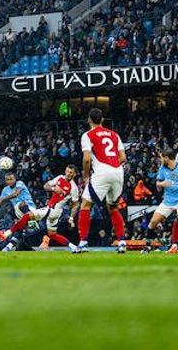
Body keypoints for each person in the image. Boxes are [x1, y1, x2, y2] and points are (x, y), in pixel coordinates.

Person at [74, 107, 127, 253]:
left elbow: (86, 159)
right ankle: (122, 242)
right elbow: (123, 157)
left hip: (101, 172)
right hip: (118, 172)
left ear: (89, 120)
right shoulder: (115, 135)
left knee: (85, 205)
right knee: (113, 207)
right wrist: (112, 163)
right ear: (102, 119)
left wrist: (85, 176)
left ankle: (83, 243)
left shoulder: (88, 135)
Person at [0, 171, 37, 246]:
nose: (9, 181)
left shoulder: (20, 183)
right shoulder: (5, 190)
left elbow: (16, 194)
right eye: (7, 179)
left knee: (22, 205)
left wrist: (2, 199)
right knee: (19, 229)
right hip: (18, 211)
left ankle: (31, 223)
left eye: (11, 179)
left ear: (15, 179)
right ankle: (9, 247)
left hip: (30, 208)